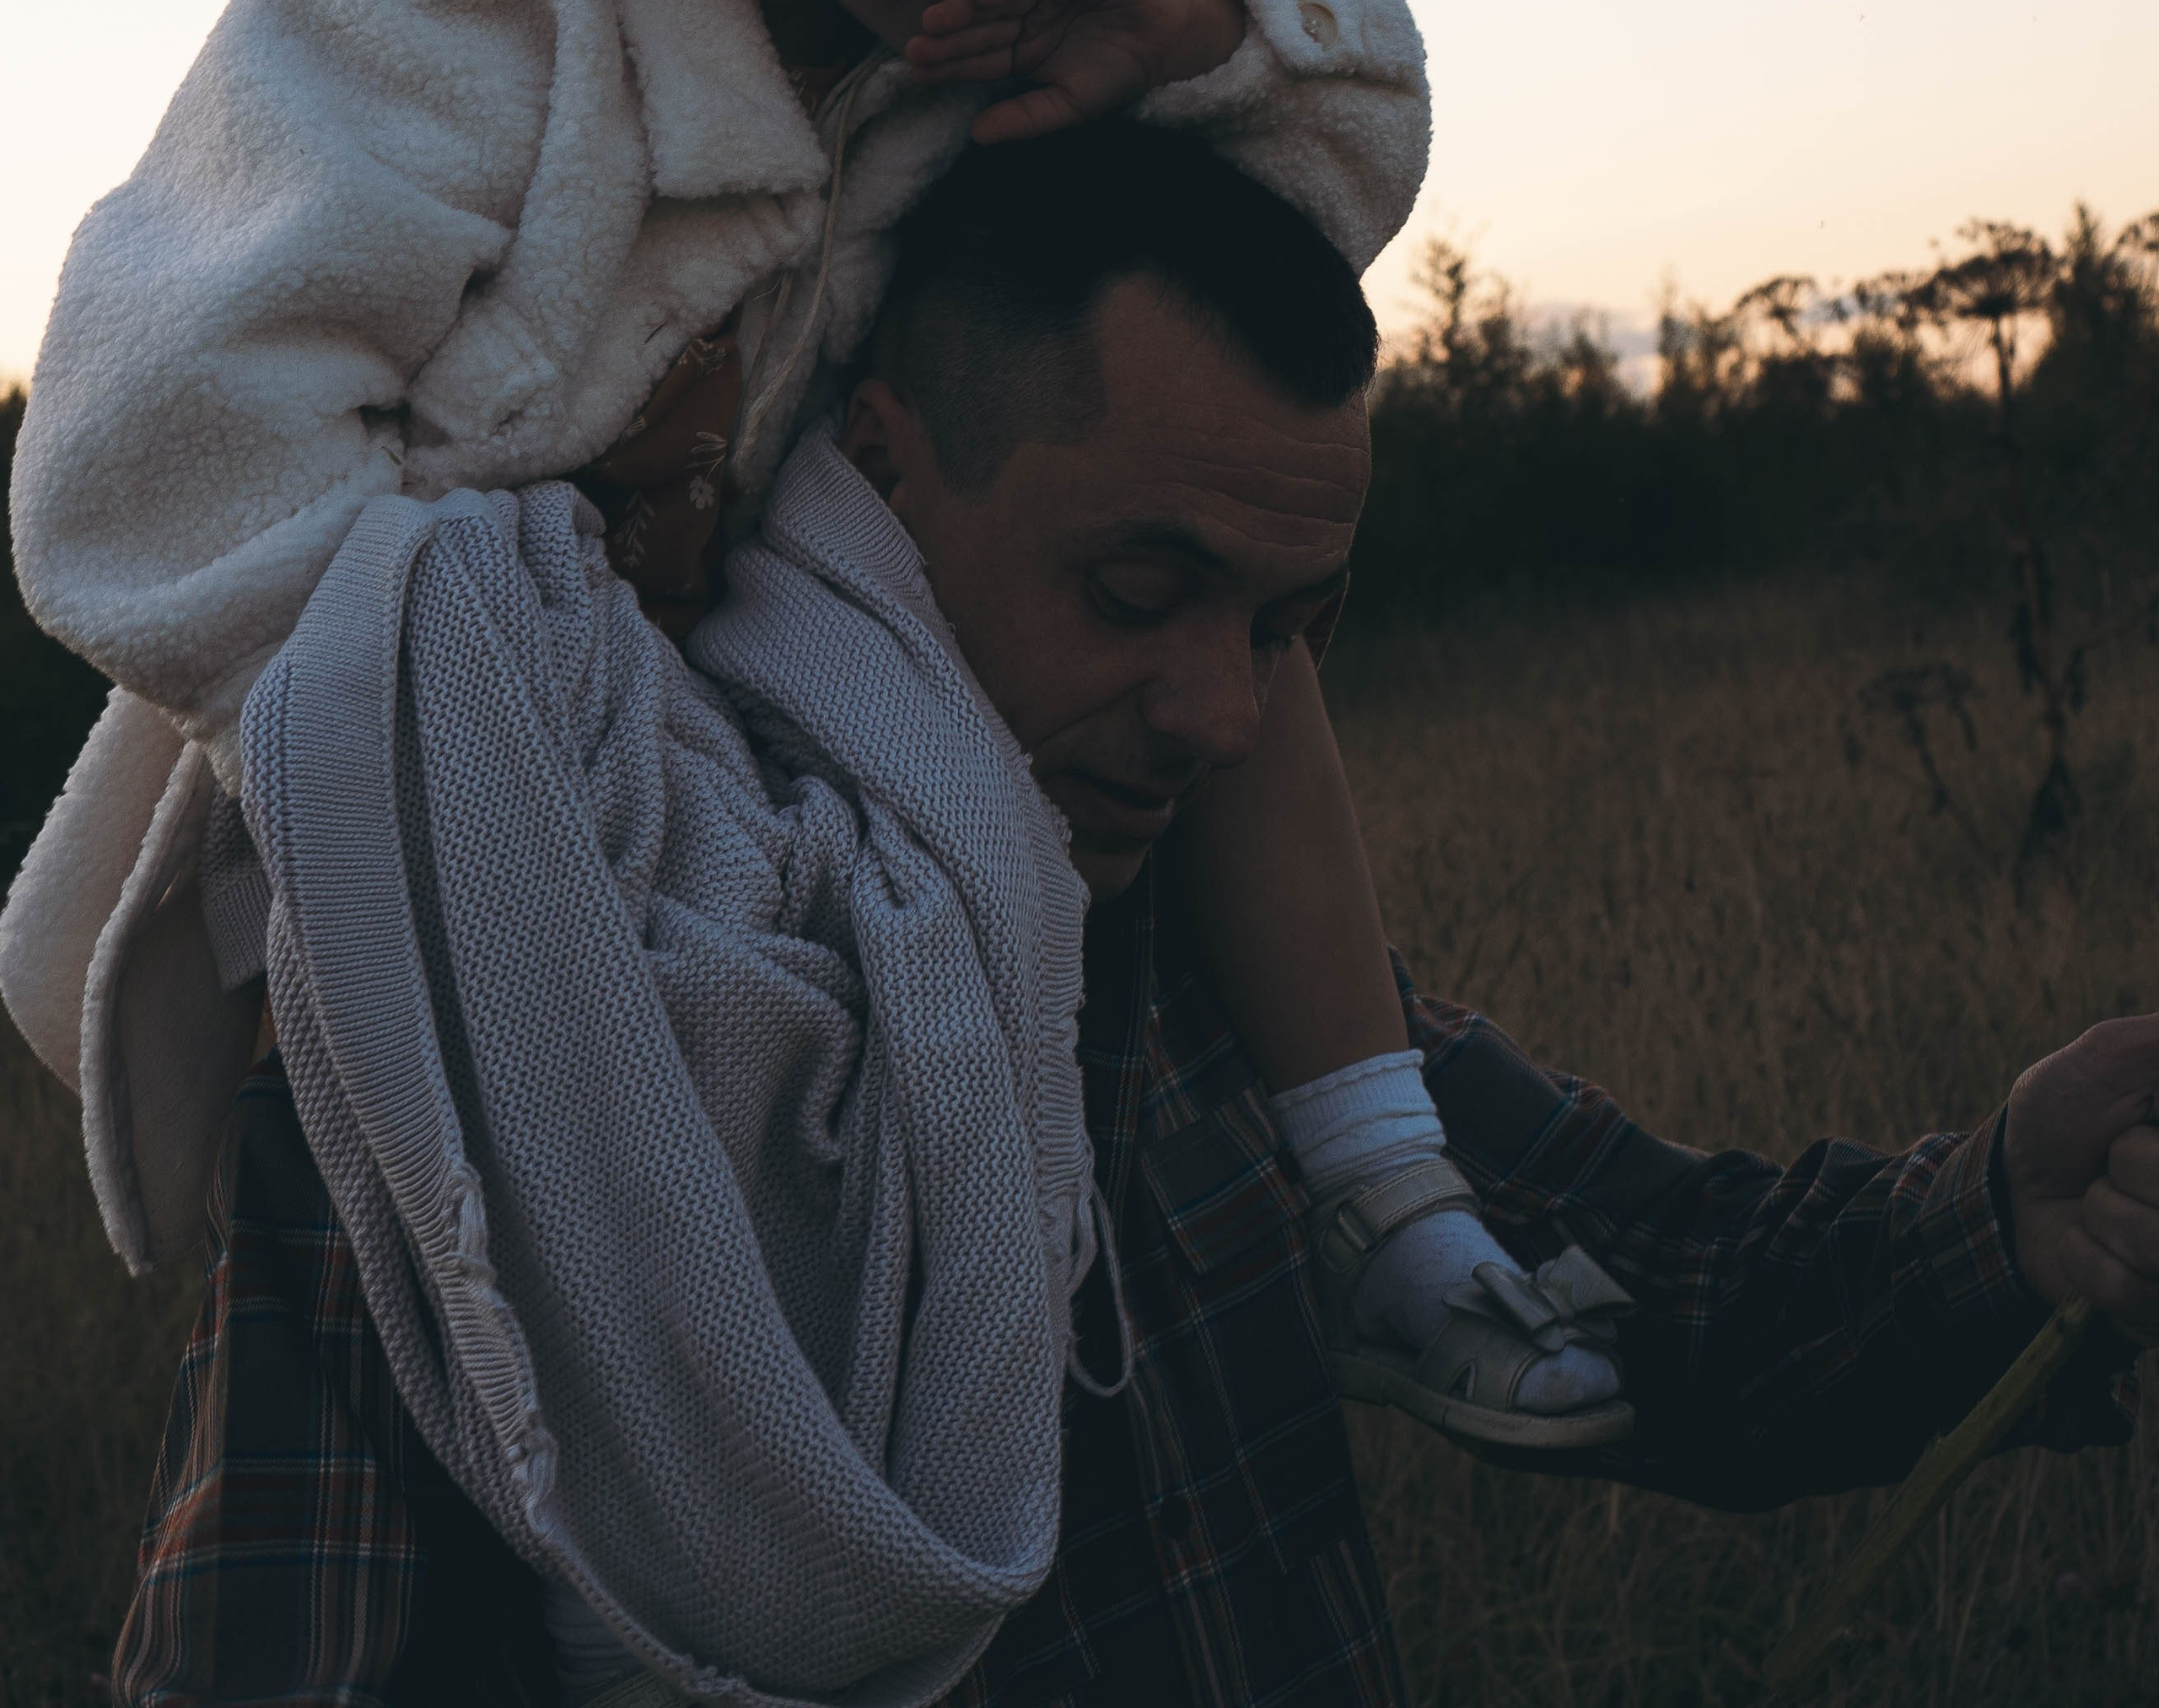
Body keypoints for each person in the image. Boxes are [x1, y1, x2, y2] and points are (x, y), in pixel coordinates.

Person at [5, 0, 1607, 1444]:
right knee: (544, 1422)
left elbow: (1321, 168)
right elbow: (150, 461)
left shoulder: (1001, 47)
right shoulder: (451, 38)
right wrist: (528, 736)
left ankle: (1387, 1195)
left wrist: (1190, 26)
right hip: (426, 836)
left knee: (1213, 625)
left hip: (797, 794)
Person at [110, 123, 2157, 1708]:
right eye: (1135, 592)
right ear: (878, 475)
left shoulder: (1205, 978)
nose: (1217, 716)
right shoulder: (495, 1026)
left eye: (1286, 626)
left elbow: (1656, 1294)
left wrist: (2002, 1213)